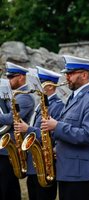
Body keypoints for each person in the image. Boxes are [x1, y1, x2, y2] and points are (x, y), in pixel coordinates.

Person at [40, 55, 89, 200]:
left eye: (70, 73)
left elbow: (88, 135)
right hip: (67, 170)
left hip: (79, 175)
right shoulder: (72, 97)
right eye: (66, 73)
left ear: (84, 74)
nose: (66, 77)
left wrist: (56, 126)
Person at [14, 66, 64, 200]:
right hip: (35, 163)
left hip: (45, 162)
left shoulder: (57, 105)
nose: (36, 87)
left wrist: (27, 129)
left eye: (40, 83)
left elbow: (53, 134)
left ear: (49, 86)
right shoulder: (41, 104)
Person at [0, 62, 35, 200]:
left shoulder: (25, 96)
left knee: (8, 187)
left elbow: (11, 118)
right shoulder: (14, 94)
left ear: (21, 77)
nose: (8, 81)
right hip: (5, 147)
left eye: (11, 77)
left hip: (11, 148)